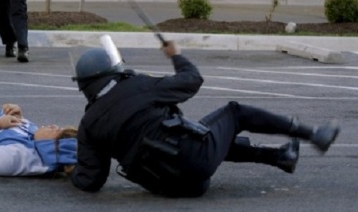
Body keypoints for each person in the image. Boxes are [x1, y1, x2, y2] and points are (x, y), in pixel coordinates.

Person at [69, 36, 340, 197]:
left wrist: (69, 170)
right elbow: (192, 80)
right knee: (234, 113)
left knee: (200, 132)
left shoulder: (89, 124)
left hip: (170, 187)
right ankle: (314, 135)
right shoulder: (138, 86)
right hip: (197, 168)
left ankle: (279, 156)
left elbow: (91, 181)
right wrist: (177, 56)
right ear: (111, 71)